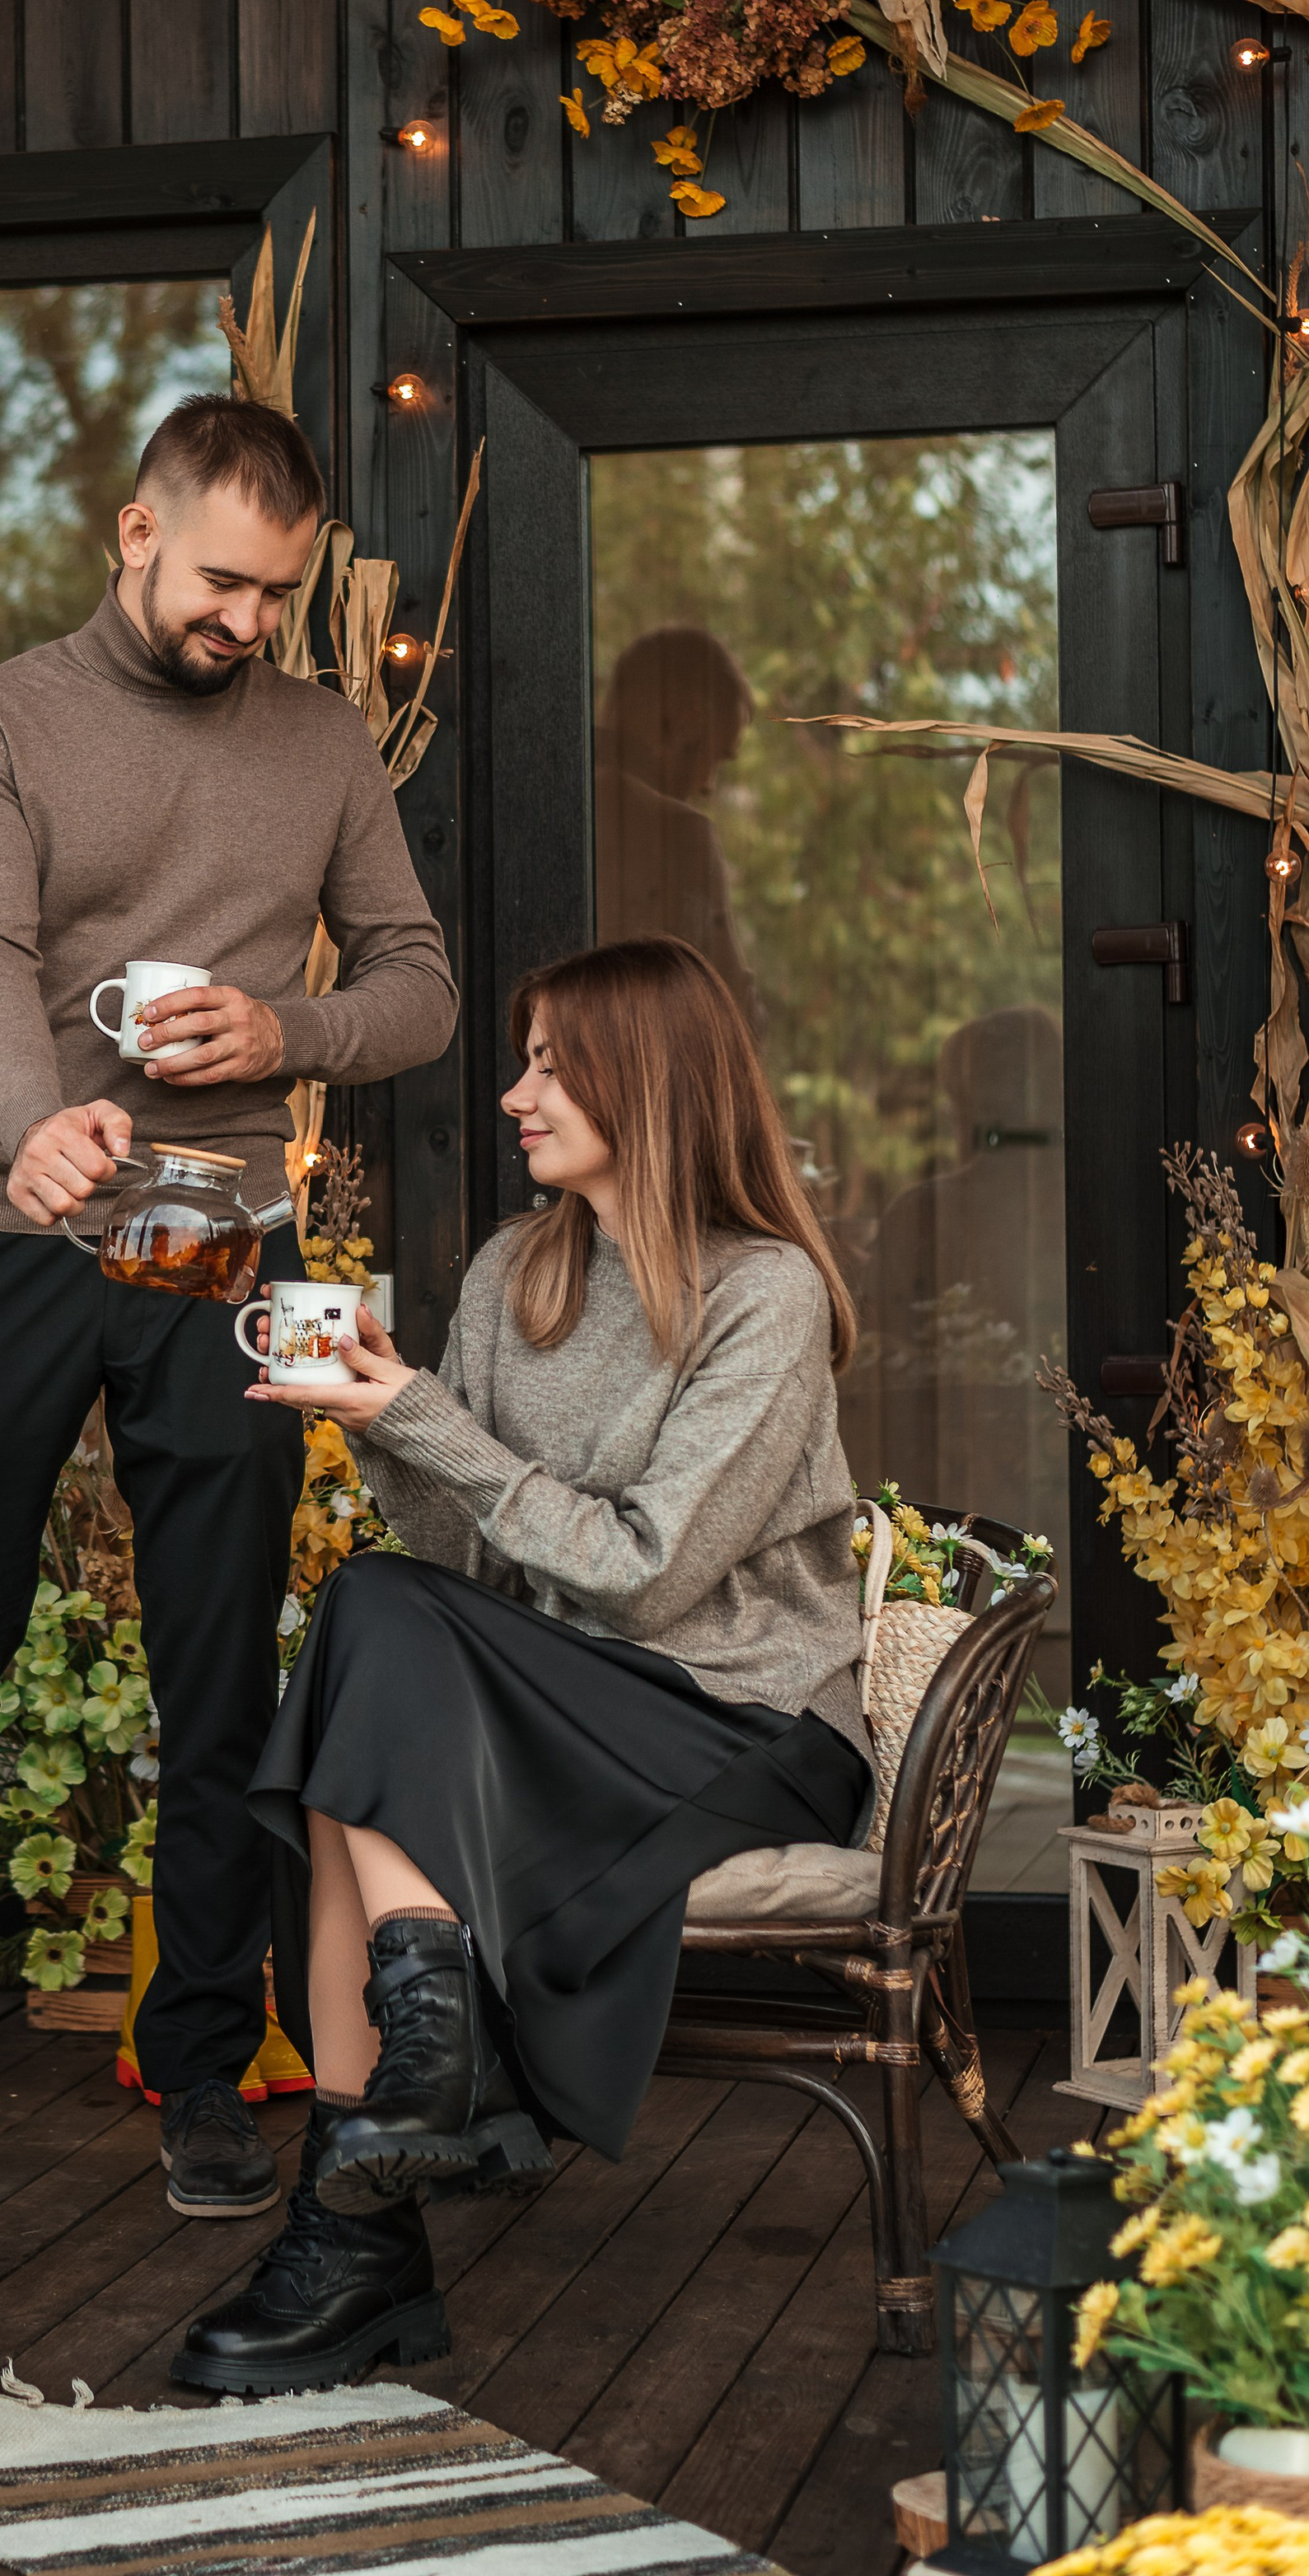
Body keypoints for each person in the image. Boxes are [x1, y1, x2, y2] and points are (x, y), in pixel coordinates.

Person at [0, 392, 458, 2230]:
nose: (246, 623)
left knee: (215, 1661)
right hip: (2, 1227)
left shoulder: (321, 740)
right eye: (220, 582)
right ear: (135, 532)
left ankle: (204, 2061)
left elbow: (418, 982)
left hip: (221, 1237)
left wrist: (288, 1034)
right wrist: (31, 1125)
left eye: (276, 594)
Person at [175, 935, 871, 2392]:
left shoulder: (766, 1298)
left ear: (652, 1083)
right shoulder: (515, 1273)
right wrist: (378, 1416)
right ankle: (408, 2092)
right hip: (558, 1705)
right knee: (373, 1605)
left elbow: (648, 1571)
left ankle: (358, 2217)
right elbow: (465, 1563)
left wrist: (429, 1416)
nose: (513, 1094)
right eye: (525, 1058)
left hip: (730, 1725)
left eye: (553, 1064)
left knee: (351, 1690)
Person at [593, 624, 759, 1020]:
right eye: (716, 759)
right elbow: (733, 1017)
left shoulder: (547, 796)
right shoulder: (679, 835)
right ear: (685, 723)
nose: (707, 787)